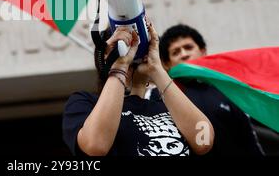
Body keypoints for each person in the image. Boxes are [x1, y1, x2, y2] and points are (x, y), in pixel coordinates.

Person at [62, 20, 215, 156]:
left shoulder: (167, 105)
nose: (133, 55)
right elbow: (95, 146)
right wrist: (120, 65)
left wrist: (156, 69)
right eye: (127, 48)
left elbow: (204, 140)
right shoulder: (85, 102)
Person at [158, 24, 264, 156]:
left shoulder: (228, 89)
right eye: (176, 52)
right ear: (167, 64)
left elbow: (249, 141)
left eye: (188, 47)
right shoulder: (158, 97)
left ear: (203, 51)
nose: (184, 54)